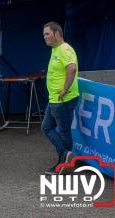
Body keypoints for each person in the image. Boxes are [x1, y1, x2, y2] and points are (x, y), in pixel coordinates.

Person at [42, 21, 79, 175]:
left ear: (57, 34)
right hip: (55, 99)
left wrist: (64, 90)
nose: (44, 37)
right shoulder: (56, 49)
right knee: (46, 127)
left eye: (47, 33)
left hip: (63, 99)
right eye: (44, 34)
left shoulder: (64, 49)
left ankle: (64, 162)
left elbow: (72, 68)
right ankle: (66, 157)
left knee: (63, 131)